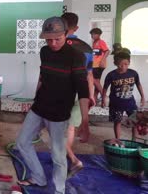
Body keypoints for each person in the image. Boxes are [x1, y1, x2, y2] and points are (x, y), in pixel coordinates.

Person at [15, 17, 89, 194]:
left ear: (66, 34)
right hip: (39, 107)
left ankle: (59, 190)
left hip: (59, 113)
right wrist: (34, 100)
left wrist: (85, 120)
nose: (53, 43)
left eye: (58, 39)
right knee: (22, 142)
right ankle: (39, 178)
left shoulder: (76, 56)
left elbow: (83, 90)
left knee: (58, 156)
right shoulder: (45, 52)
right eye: (49, 39)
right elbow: (43, 77)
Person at [61, 12, 95, 177]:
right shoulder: (87, 48)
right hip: (81, 93)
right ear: (77, 27)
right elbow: (89, 75)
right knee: (71, 128)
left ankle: (72, 159)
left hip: (63, 92)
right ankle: (70, 159)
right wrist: (91, 95)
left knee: (55, 127)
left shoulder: (58, 44)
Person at [102, 51, 145, 139]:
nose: (123, 66)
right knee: (117, 122)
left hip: (130, 103)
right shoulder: (111, 75)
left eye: (126, 64)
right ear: (115, 63)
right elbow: (105, 88)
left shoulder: (133, 73)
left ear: (129, 62)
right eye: (120, 64)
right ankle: (118, 139)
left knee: (135, 121)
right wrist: (103, 99)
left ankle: (134, 140)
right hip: (116, 104)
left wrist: (143, 97)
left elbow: (138, 84)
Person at [90, 28, 110, 103]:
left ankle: (104, 96)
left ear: (99, 35)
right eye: (92, 34)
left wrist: (102, 60)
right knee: (96, 82)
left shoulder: (101, 42)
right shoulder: (94, 42)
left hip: (98, 65)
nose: (92, 35)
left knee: (95, 81)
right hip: (94, 65)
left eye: (94, 34)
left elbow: (107, 51)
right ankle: (95, 99)